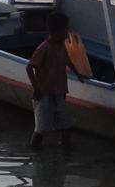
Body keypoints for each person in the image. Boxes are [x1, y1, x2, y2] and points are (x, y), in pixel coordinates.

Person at [26, 12, 83, 149]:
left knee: (66, 126)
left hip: (59, 94)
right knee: (41, 129)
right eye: (65, 30)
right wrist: (37, 89)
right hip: (44, 94)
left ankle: (65, 151)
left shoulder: (61, 47)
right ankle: (34, 153)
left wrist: (78, 74)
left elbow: (67, 61)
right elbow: (30, 67)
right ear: (57, 31)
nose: (66, 33)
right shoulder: (44, 48)